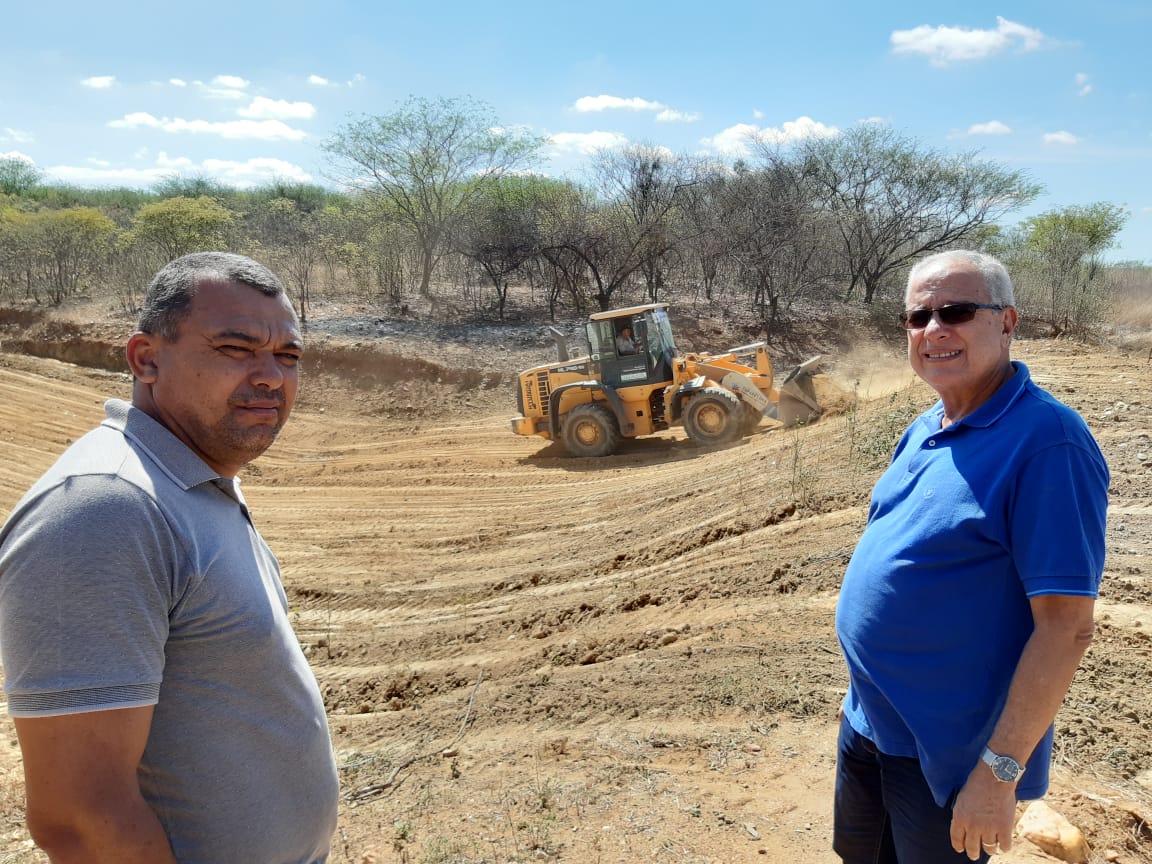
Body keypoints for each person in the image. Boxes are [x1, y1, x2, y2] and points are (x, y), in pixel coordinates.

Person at [0, 252, 340, 863]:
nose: (271, 377)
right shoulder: (107, 509)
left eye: (288, 356)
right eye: (235, 348)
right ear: (145, 359)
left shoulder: (190, 480)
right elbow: (81, 819)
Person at [833, 250, 1109, 863]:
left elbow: (1065, 628)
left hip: (950, 753)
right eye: (918, 316)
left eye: (956, 311)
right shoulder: (926, 425)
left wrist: (998, 775)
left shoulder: (1049, 443)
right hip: (871, 721)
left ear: (1006, 322)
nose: (934, 329)